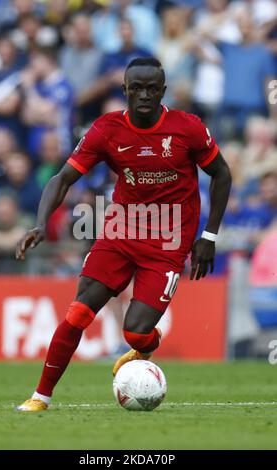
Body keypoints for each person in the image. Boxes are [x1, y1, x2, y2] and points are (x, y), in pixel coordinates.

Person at [16, 57, 232, 411]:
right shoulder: (107, 130)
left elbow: (221, 175)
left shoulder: (188, 128)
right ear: (125, 91)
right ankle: (40, 397)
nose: (144, 95)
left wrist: (208, 237)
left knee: (134, 332)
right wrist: (40, 223)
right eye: (137, 88)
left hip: (168, 241)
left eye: (152, 88)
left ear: (163, 91)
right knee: (78, 312)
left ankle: (146, 342)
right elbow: (63, 178)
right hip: (120, 232)